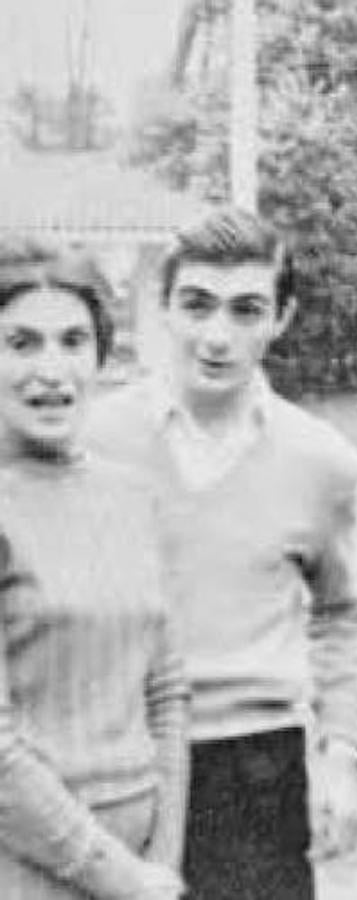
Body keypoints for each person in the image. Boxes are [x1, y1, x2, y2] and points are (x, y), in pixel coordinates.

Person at [84, 209, 357, 900]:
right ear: (163, 308)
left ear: (282, 317)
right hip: (119, 758)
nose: (218, 336)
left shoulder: (320, 461)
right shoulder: (94, 441)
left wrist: (344, 755)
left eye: (247, 310)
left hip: (255, 768)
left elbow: (341, 618)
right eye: (197, 306)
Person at [0, 240, 187, 899]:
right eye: (21, 344)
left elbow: (165, 692)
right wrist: (121, 878)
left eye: (73, 341)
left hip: (144, 869)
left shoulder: (132, 495)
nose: (51, 370)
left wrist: (163, 861)